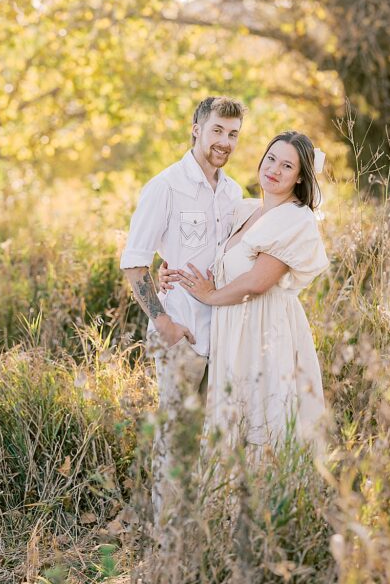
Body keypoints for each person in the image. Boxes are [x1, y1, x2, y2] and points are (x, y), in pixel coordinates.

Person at [120, 96, 245, 528]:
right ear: (196, 128)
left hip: (225, 335)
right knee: (175, 439)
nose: (224, 142)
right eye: (217, 131)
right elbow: (135, 262)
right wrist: (163, 321)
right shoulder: (165, 186)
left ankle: (205, 529)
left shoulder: (233, 192)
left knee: (215, 437)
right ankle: (167, 539)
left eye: (232, 134)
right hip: (182, 337)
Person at [175, 130, 329, 449]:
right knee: (233, 418)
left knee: (261, 418)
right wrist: (171, 269)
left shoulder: (294, 219)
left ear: (301, 178)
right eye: (271, 159)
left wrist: (209, 296)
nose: (274, 170)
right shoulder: (248, 211)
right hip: (233, 327)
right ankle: (229, 497)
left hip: (264, 330)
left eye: (287, 166)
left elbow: (257, 282)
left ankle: (264, 494)